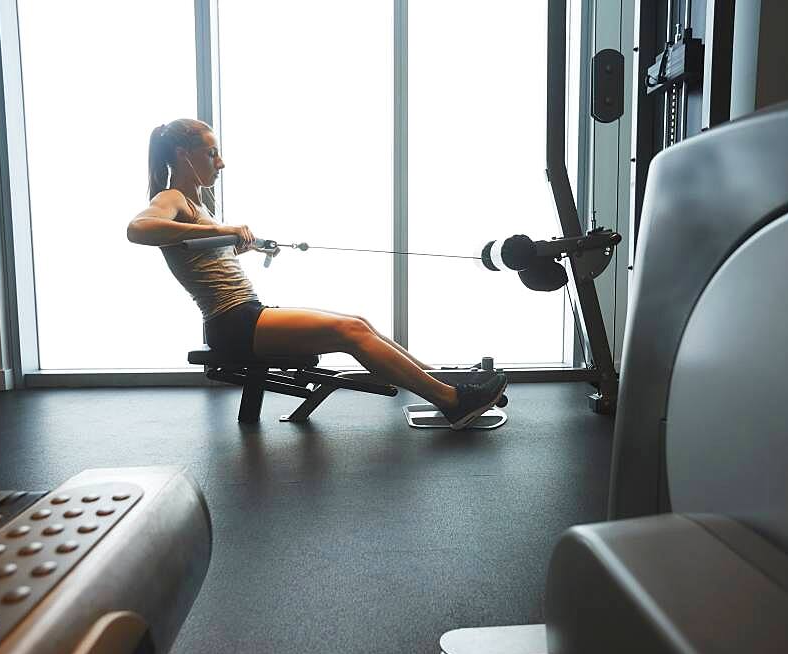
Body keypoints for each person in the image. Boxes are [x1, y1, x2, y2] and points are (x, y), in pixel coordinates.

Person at [127, 118, 507, 430]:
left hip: (247, 314)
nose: (220, 162)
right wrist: (220, 232)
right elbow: (138, 230)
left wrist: (240, 243)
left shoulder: (196, 205)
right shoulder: (171, 198)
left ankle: (445, 380)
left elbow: (201, 251)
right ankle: (452, 401)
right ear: (182, 154)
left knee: (357, 321)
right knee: (350, 332)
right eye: (211, 153)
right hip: (233, 323)